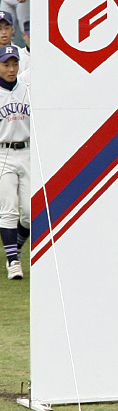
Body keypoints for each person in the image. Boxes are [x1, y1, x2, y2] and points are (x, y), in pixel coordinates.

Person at [0, 46, 29, 281]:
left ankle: (15, 248)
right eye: (6, 64)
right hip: (3, 154)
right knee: (8, 209)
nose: (11, 69)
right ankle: (13, 262)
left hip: (27, 151)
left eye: (14, 64)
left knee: (30, 213)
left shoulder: (27, 88)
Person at [0, 12, 27, 78]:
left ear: (12, 30)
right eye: (0, 29)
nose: (4, 32)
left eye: (7, 28)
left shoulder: (20, 52)